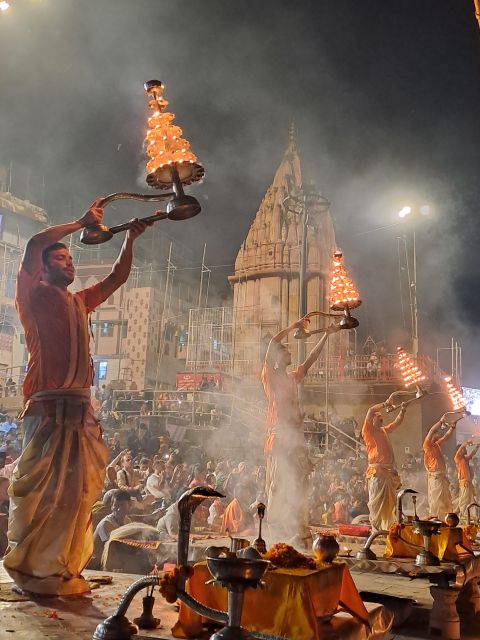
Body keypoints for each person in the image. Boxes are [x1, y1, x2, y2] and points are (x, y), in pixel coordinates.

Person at [4, 198, 151, 596]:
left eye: (71, 259)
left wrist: (130, 240)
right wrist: (79, 222)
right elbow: (35, 242)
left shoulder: (79, 301)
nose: (68, 263)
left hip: (79, 409)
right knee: (42, 496)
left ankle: (61, 569)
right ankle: (33, 571)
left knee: (74, 496)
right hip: (47, 407)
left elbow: (116, 279)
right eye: (61, 259)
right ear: (44, 268)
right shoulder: (31, 295)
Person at [262, 317, 340, 543]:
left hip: (296, 437)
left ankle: (297, 525)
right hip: (281, 436)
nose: (289, 353)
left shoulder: (291, 377)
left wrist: (327, 334)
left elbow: (310, 360)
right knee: (278, 483)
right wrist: (292, 328)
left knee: (300, 481)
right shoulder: (270, 376)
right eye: (285, 350)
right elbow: (270, 347)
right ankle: (275, 527)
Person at [361, 398, 408, 531]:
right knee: (376, 503)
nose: (381, 418)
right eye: (378, 417)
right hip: (377, 472)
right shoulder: (368, 430)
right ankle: (376, 530)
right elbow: (371, 410)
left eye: (382, 417)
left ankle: (387, 528)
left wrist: (403, 410)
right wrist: (385, 404)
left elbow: (396, 423)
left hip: (388, 472)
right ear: (372, 420)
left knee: (390, 503)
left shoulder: (383, 431)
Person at [423, 415, 455, 520]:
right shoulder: (427, 445)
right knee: (437, 500)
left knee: (445, 499)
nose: (437, 435)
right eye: (435, 434)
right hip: (435, 477)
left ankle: (445, 519)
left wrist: (452, 428)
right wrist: (440, 421)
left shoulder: (436, 445)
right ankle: (436, 519)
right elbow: (432, 430)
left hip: (442, 477)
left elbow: (446, 436)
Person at [92, 489, 132, 566]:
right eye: (116, 505)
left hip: (115, 558)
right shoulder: (106, 524)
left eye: (122, 505)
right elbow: (112, 549)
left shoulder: (127, 520)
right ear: (111, 507)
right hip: (99, 562)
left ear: (129, 505)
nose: (119, 509)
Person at [454, 439, 480, 521]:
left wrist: (477, 447)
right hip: (464, 483)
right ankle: (463, 517)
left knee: (470, 501)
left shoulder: (464, 458)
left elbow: (472, 453)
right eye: (464, 449)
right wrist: (466, 443)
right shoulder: (457, 458)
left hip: (468, 483)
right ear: (460, 450)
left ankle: (470, 517)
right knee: (464, 501)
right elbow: (462, 447)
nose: (465, 450)